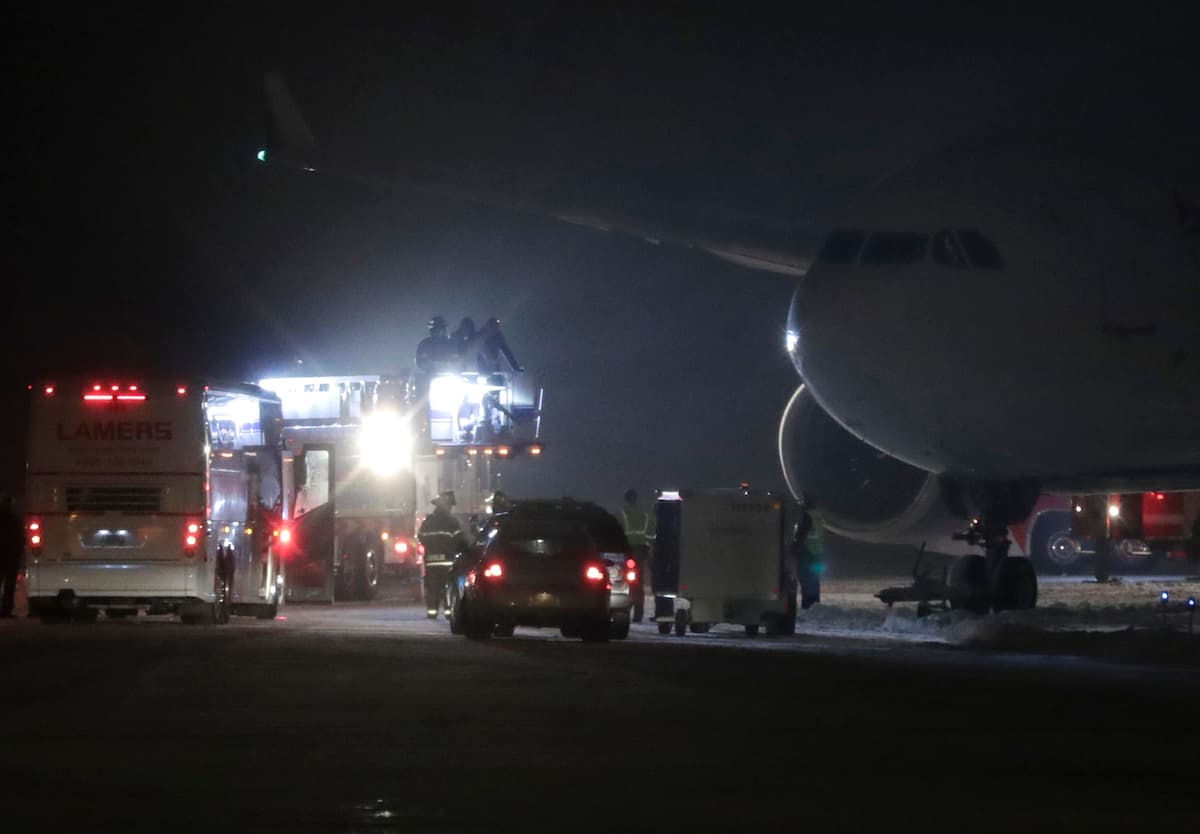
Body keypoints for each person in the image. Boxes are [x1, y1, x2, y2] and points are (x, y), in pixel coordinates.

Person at [417, 491, 469, 619]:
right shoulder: (452, 522)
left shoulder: (428, 521)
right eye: (450, 505)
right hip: (448, 562)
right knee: (448, 589)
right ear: (447, 506)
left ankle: (432, 613)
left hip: (431, 562)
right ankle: (448, 613)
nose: (451, 508)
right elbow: (460, 540)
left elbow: (421, 537)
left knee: (432, 589)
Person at [620, 488, 654, 622]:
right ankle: (638, 613)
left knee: (622, 582)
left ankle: (623, 609)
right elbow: (651, 534)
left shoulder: (622, 513)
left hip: (626, 551)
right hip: (641, 551)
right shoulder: (644, 515)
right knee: (638, 582)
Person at [791, 494, 824, 610]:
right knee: (814, 580)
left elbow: (801, 535)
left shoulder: (807, 516)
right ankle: (815, 603)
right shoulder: (818, 515)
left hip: (807, 552)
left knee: (806, 579)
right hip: (818, 552)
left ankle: (808, 605)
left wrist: (793, 550)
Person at [0, 493, 24, 618]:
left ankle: (5, 610)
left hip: (3, 556)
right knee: (9, 586)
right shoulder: (15, 519)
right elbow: (20, 539)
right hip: (11, 557)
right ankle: (6, 610)